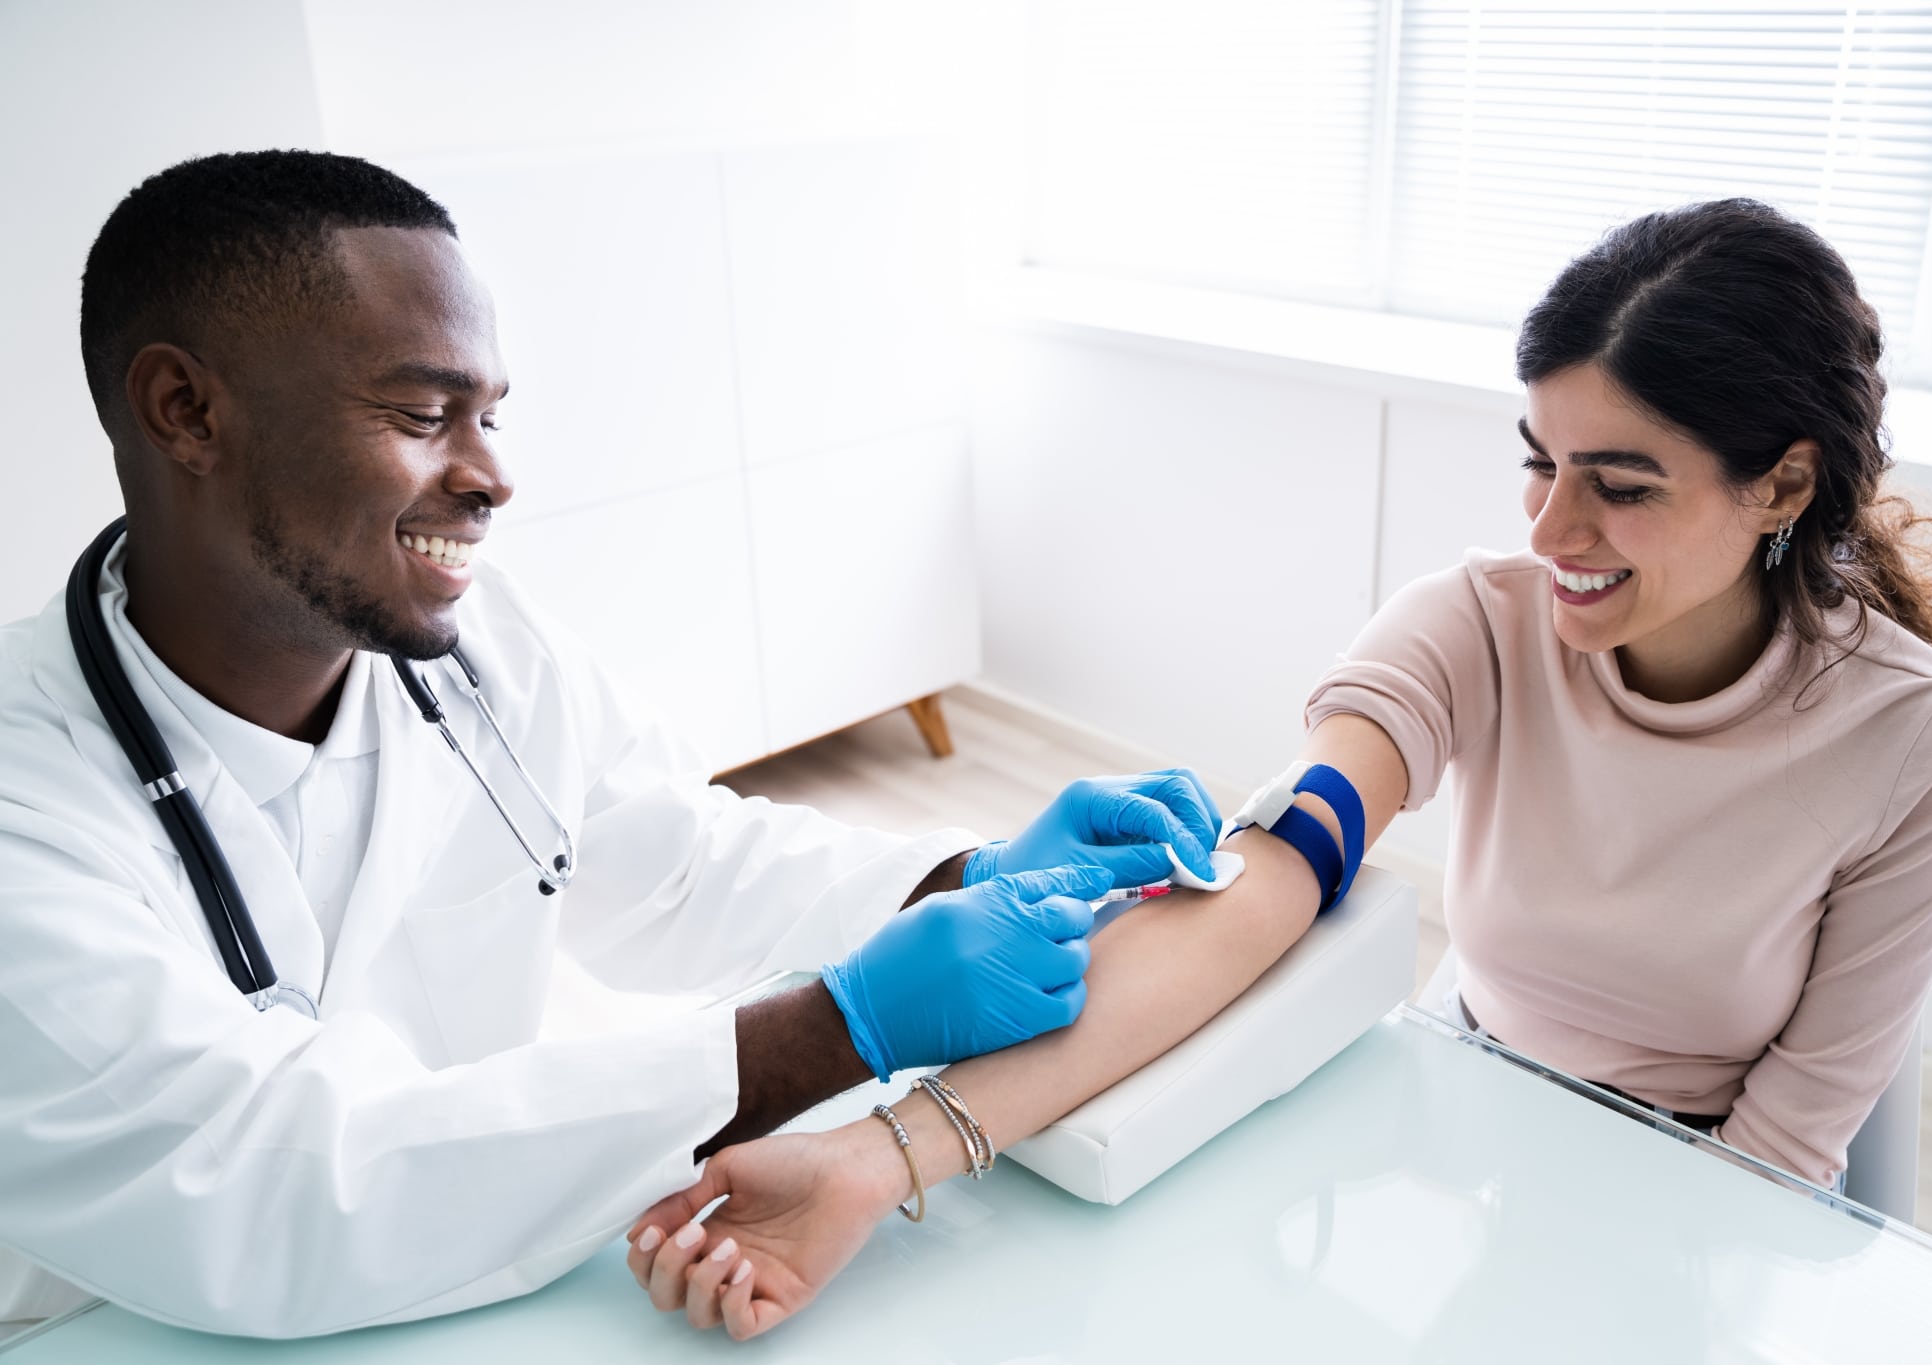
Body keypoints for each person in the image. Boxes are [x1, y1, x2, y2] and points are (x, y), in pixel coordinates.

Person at [629, 198, 1932, 1340]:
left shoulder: (1919, 737)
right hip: (1483, 1085)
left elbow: (1786, 1147)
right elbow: (1268, 881)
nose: (1552, 526)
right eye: (1539, 462)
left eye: (1622, 484)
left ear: (1782, 483)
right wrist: (874, 1162)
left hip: (1704, 1176)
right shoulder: (1479, 620)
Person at [0, 150, 1235, 1339]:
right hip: (133, 1318)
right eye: (426, 414)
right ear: (185, 411)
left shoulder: (473, 641)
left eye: (488, 414)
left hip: (486, 1248)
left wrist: (961, 878)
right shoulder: (28, 801)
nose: (490, 477)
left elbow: (675, 859)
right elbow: (260, 1192)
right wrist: (835, 1030)